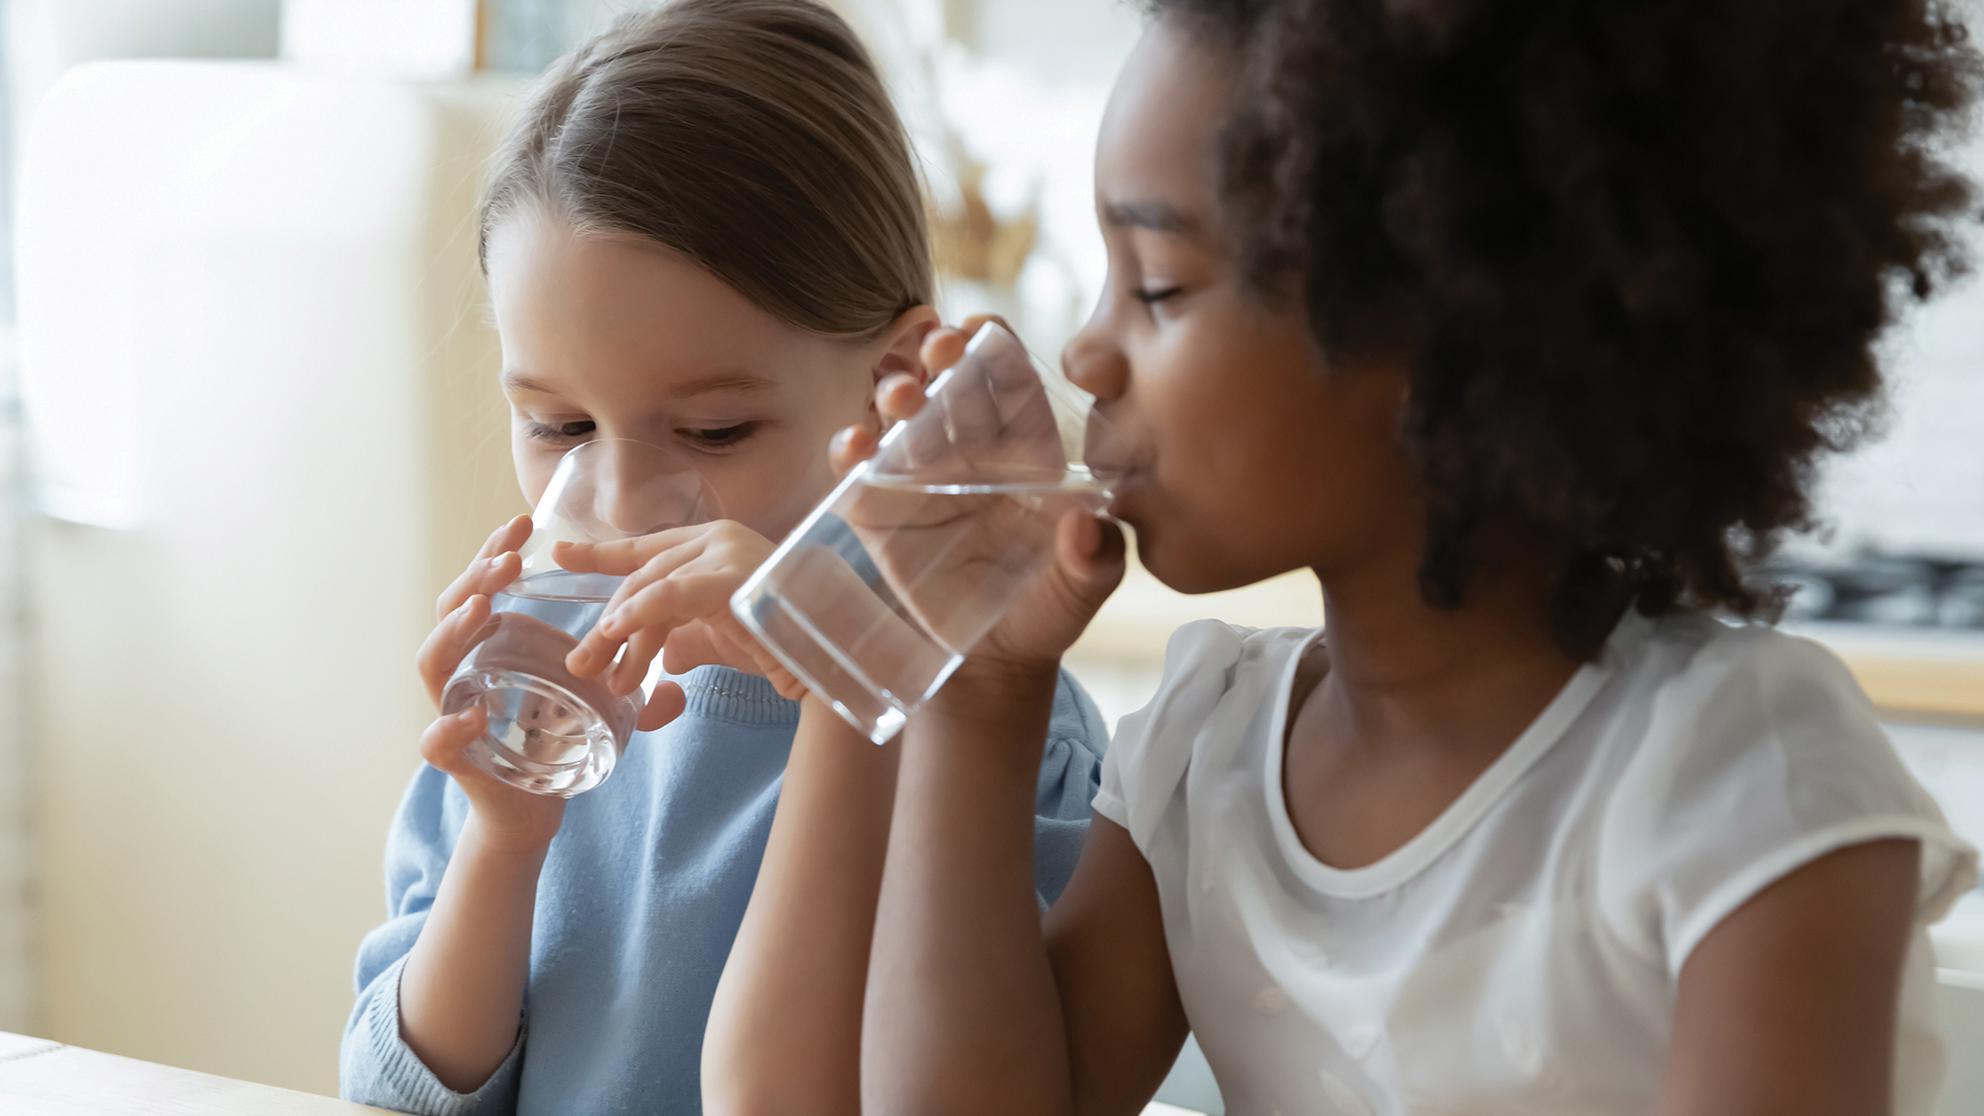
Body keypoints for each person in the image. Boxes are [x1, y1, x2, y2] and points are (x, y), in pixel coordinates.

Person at [709, 0, 1984, 1111]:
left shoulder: (1734, 778)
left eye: (1155, 286)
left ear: (1449, 328)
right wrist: (980, 693)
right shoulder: (1205, 752)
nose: (1086, 355)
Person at [336, 3, 1108, 1112]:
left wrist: (841, 650)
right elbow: (392, 1093)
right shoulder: (536, 708)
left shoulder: (989, 723)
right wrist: (503, 847)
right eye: (557, 425)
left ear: (894, 393)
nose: (616, 504)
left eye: (713, 434)